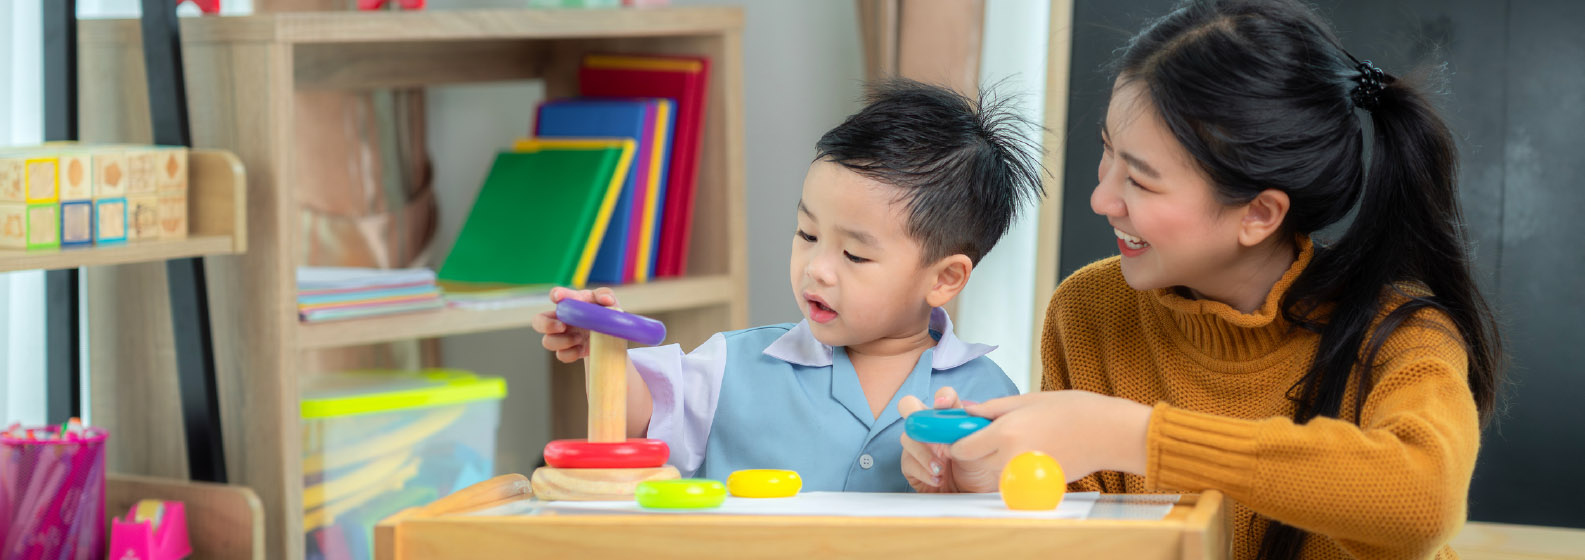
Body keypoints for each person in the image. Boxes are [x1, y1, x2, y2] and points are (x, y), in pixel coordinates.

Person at [899, 1, 1503, 558]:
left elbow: (1422, 500)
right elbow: (1096, 540)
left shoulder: (1402, 331)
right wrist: (986, 486)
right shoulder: (1090, 311)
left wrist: (1137, 437)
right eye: (1108, 152)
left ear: (1258, 214)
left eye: (1141, 180)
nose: (1101, 198)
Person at [535, 78, 1045, 492]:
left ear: (944, 278)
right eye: (807, 233)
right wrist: (605, 348)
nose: (816, 268)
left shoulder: (987, 396)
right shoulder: (731, 368)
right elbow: (636, 416)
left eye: (854, 254)